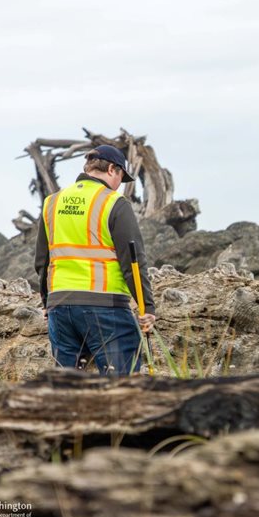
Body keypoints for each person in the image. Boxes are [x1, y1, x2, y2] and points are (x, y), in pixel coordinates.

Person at [34, 144, 156, 375]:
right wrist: (146, 306)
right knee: (123, 384)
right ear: (112, 169)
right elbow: (133, 261)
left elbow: (43, 260)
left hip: (59, 308)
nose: (120, 184)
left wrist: (47, 302)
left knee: (66, 387)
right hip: (105, 307)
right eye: (121, 176)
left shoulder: (52, 202)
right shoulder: (115, 203)